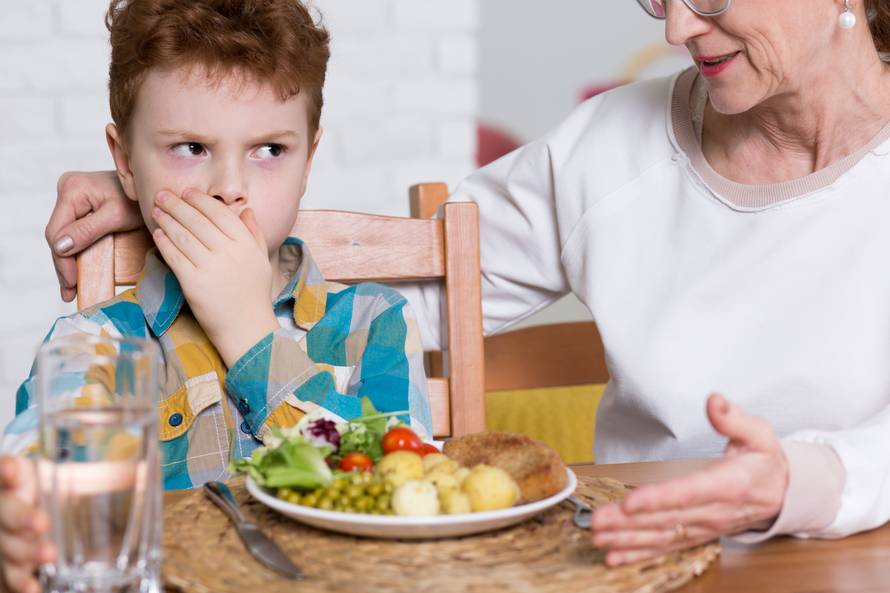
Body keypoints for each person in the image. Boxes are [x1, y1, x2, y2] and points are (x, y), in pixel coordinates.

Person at [39, 0, 890, 569]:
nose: (675, 26)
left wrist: (799, 483)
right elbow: (385, 282)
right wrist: (170, 200)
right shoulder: (612, 148)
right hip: (634, 569)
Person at [0, 1, 434, 591]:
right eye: (191, 148)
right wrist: (22, 512)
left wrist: (250, 335)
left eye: (270, 151)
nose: (229, 189)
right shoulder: (95, 341)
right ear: (125, 163)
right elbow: (40, 465)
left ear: (309, 159)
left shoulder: (373, 320)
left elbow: (414, 491)